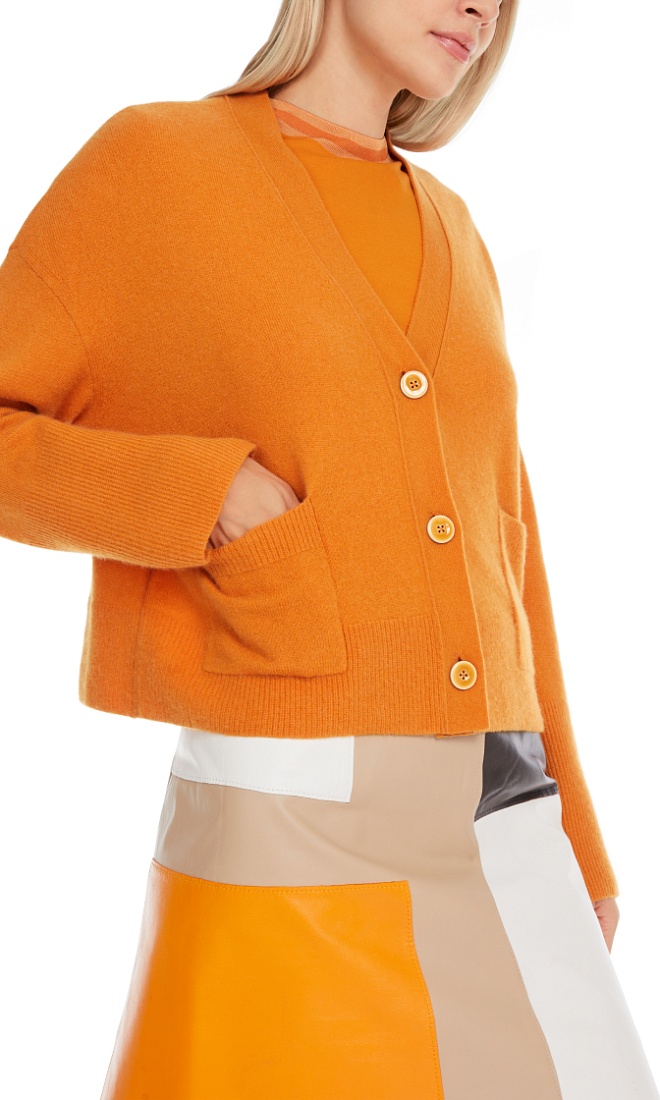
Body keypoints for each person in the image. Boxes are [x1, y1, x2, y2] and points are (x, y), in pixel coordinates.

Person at [0, 1, 657, 1097]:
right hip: (291, 815)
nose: (483, 8)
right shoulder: (158, 165)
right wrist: (203, 493)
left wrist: (577, 832)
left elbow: (511, 546)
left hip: (505, 816)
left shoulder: (453, 225)